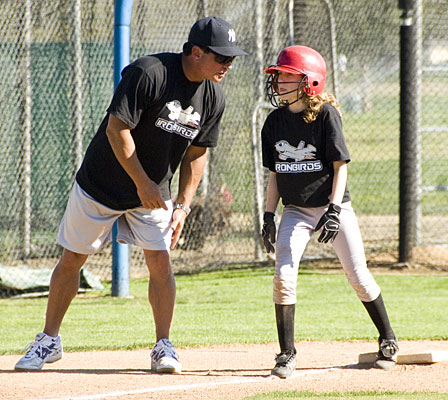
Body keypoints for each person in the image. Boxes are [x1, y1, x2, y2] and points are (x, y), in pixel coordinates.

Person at [15, 16, 247, 373]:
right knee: (73, 259)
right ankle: (49, 340)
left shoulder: (213, 97)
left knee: (160, 263)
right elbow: (116, 129)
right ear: (197, 52)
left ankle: (163, 345)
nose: (228, 65)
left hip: (153, 192)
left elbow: (197, 153)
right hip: (101, 184)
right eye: (222, 57)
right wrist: (142, 183)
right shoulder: (150, 73)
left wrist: (183, 204)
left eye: (231, 58)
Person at [260, 45, 398, 379]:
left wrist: (334, 209)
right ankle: (286, 354)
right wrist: (268, 215)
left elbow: (340, 167)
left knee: (357, 275)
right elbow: (275, 174)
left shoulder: (326, 116)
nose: (278, 82)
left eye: (287, 76)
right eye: (278, 76)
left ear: (309, 81)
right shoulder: (274, 122)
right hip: (295, 210)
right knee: (283, 276)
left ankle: (388, 338)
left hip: (333, 205)